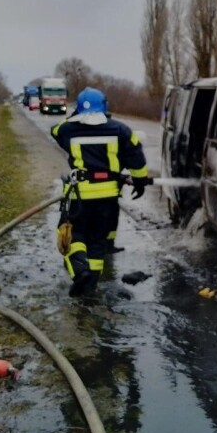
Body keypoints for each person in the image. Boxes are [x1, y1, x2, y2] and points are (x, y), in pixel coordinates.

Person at [51, 87, 149, 296]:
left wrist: (73, 117)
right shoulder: (120, 130)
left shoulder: (68, 129)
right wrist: (140, 182)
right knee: (97, 239)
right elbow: (136, 157)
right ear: (104, 106)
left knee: (72, 233)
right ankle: (91, 282)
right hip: (107, 197)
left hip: (80, 195)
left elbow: (55, 131)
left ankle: (80, 271)